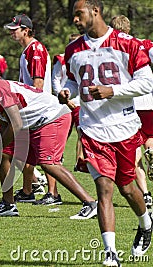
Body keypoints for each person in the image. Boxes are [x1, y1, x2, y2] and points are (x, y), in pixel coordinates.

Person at [58, 1, 153, 265]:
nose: (75, 20)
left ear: (95, 11)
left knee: (127, 188)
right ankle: (110, 254)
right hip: (92, 128)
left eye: (79, 14)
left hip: (123, 127)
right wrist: (68, 91)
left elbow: (147, 82)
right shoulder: (73, 49)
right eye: (73, 16)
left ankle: (145, 223)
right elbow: (73, 80)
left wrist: (114, 91)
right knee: (103, 189)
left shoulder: (127, 43)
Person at [0, 66, 98, 219]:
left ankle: (90, 203)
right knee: (4, 154)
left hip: (51, 117)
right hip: (33, 122)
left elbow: (16, 124)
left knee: (49, 163)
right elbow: (5, 123)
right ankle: (8, 204)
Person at [4, 14, 50, 203]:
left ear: (26, 30)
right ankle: (28, 188)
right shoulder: (26, 50)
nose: (12, 33)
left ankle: (52, 193)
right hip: (31, 107)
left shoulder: (35, 49)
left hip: (38, 108)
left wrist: (30, 107)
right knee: (25, 150)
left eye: (15, 29)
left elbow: (37, 83)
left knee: (45, 155)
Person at [109, 14, 153, 211]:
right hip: (149, 101)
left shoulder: (110, 48)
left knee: (133, 153)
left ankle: (145, 193)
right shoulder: (144, 44)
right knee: (149, 140)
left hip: (129, 104)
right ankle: (151, 153)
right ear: (129, 28)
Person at [35, 33, 83, 206]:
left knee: (85, 136)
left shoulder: (88, 56)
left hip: (81, 104)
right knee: (55, 149)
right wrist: (66, 97)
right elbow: (56, 81)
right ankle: (52, 190)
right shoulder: (62, 60)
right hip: (64, 104)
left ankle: (82, 162)